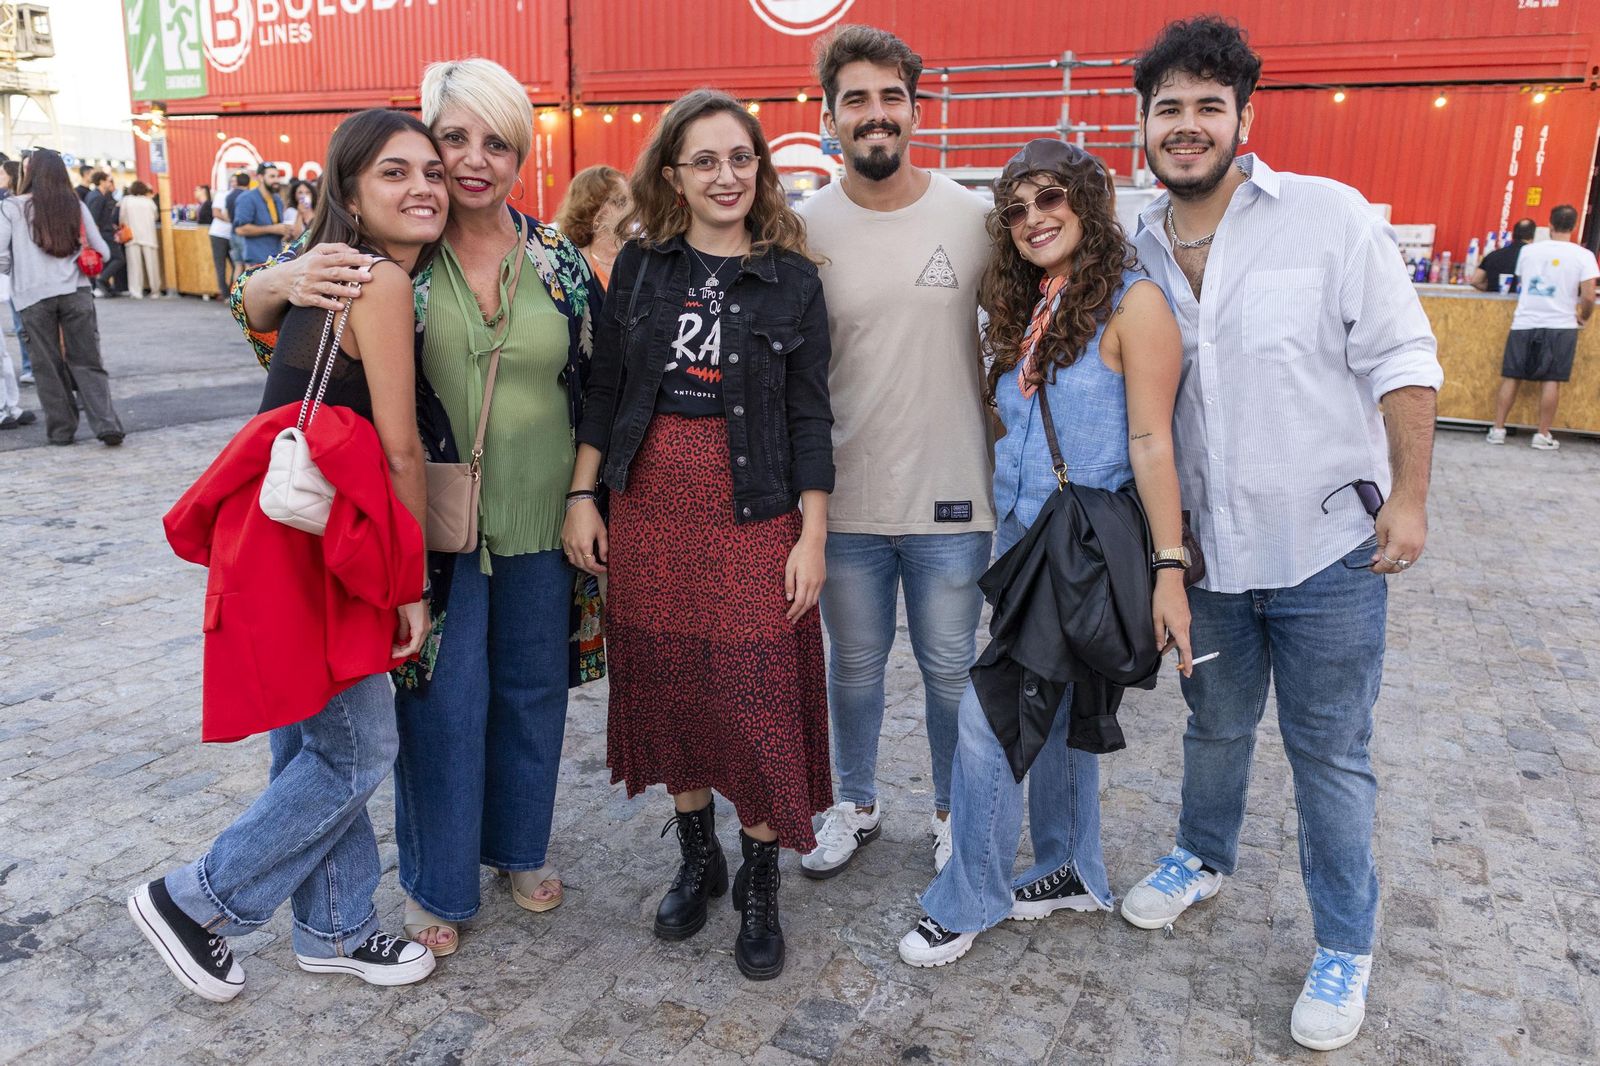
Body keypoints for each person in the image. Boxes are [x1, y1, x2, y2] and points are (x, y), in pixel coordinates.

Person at [233, 58, 604, 960]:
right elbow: (271, 332)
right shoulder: (402, 247)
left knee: (531, 698)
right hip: (431, 531)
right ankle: (437, 881)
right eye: (454, 141)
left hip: (542, 516)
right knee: (442, 705)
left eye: (497, 143)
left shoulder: (555, 257)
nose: (472, 162)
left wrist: (587, 491)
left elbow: (601, 383)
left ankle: (518, 849)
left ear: (522, 156)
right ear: (428, 146)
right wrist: (270, 284)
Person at [1118, 18, 1441, 1052]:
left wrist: (1411, 495)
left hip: (1327, 554)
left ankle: (1344, 941)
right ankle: (1201, 854)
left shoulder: (1327, 218)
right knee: (1212, 725)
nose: (1187, 125)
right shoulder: (1132, 245)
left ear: (1244, 119)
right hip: (1209, 556)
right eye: (1168, 108)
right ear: (1145, 127)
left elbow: (1401, 355)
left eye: (1208, 106)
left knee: (1329, 754)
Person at [127, 109, 449, 1000]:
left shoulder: (329, 278)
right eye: (394, 173)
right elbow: (398, 452)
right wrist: (409, 583)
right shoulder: (374, 282)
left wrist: (274, 278)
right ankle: (198, 899)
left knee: (319, 736)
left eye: (430, 169)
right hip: (322, 547)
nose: (421, 185)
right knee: (356, 749)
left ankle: (336, 926)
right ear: (349, 193)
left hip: (279, 539)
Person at [897, 138, 1193, 968]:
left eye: (1051, 200)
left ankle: (970, 896)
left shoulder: (1134, 306)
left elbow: (1153, 444)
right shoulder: (1041, 304)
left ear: (1088, 204)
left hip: (1083, 550)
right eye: (1017, 209)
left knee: (990, 713)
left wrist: (1170, 571)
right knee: (1059, 711)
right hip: (1029, 543)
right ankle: (1070, 867)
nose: (1034, 219)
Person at [563, 88, 834, 982]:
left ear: (762, 168)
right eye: (705, 160)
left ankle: (760, 883)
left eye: (742, 157)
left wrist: (813, 534)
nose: (727, 175)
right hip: (649, 505)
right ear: (673, 175)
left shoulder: (793, 279)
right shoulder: (641, 267)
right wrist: (582, 495)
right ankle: (698, 856)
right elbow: (604, 387)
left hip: (755, 508)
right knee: (674, 682)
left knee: (751, 690)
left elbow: (808, 415)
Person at [795, 25, 995, 880]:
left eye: (891, 98)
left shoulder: (974, 218)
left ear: (916, 108)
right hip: (842, 504)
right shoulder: (801, 229)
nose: (876, 115)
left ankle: (953, 811)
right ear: (830, 117)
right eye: (857, 101)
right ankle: (856, 804)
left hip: (954, 498)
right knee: (856, 669)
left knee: (953, 672)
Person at [0, 149, 123, 446]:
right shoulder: (74, 205)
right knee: (88, 361)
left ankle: (61, 431)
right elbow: (103, 252)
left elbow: (1, 257)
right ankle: (107, 424)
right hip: (75, 292)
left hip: (32, 297)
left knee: (47, 365)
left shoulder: (12, 209)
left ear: (29, 174)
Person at [1485, 204, 1597, 450]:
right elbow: (1589, 295)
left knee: (1511, 376)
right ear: (1575, 225)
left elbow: (1524, 282)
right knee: (1551, 379)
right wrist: (1584, 316)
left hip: (1525, 321)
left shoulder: (1529, 252)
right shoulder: (1583, 255)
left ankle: (1498, 429)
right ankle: (1542, 434)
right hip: (1561, 324)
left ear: (1550, 223)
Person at [554, 164, 629, 289]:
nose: (630, 209)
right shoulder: (569, 263)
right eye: (620, 202)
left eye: (630, 200)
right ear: (593, 209)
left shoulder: (638, 256)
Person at [0, 159, 35, 382]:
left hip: (22, 270)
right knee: (21, 321)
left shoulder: (14, 203)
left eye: (2, 175)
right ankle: (29, 366)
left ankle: (32, 366)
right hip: (17, 271)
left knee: (25, 321)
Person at [232, 163, 291, 267]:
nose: (276, 180)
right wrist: (273, 229)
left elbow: (276, 227)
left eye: (278, 176)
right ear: (260, 177)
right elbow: (240, 229)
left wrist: (286, 231)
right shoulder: (247, 198)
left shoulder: (277, 200)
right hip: (256, 261)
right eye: (272, 176)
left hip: (276, 258)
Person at [119, 181, 162, 297]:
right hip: (149, 236)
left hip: (132, 237)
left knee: (134, 266)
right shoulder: (149, 202)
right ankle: (155, 290)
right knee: (152, 265)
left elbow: (121, 218)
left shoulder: (126, 200)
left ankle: (136, 291)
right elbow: (156, 216)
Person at [85, 171, 125, 298]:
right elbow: (94, 219)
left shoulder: (92, 195)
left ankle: (105, 285)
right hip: (103, 234)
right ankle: (102, 280)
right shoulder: (98, 197)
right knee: (119, 258)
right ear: (102, 181)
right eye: (108, 180)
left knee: (107, 260)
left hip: (103, 232)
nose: (110, 183)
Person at [1472, 217, 1535, 294]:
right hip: (1518, 302)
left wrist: (1492, 289)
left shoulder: (1492, 255)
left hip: (1492, 302)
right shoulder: (1533, 257)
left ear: (1513, 234)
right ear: (1533, 236)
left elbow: (1475, 281)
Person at [205, 180, 235, 298]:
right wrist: (232, 221)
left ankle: (230, 291)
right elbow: (216, 212)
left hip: (231, 235)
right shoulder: (222, 195)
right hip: (219, 234)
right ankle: (225, 293)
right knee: (221, 265)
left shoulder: (240, 196)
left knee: (236, 264)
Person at [225, 171, 252, 271]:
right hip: (245, 234)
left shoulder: (229, 196)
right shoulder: (248, 196)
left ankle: (235, 287)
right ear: (248, 183)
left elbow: (227, 216)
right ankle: (247, 287)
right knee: (249, 267)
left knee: (238, 266)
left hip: (233, 233)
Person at [283, 178, 320, 243]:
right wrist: (299, 213)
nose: (304, 195)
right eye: (300, 192)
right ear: (295, 196)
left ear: (312, 195)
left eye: (307, 192)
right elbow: (296, 236)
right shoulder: (291, 211)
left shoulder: (318, 211)